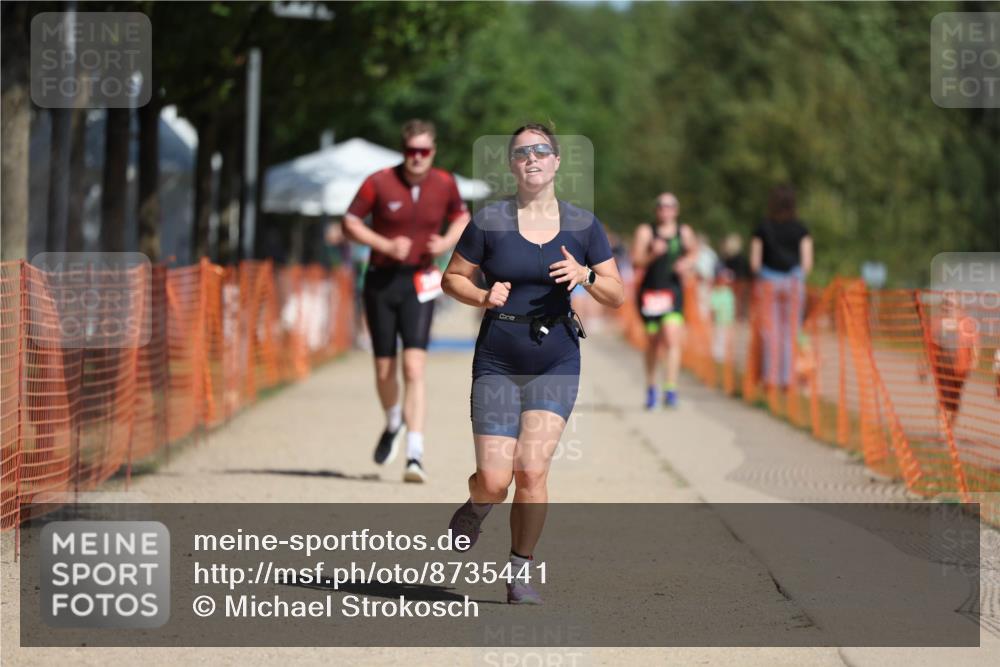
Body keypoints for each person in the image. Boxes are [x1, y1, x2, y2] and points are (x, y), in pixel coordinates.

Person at [441, 123, 624, 604]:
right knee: (496, 480)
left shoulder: (584, 225)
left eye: (543, 151)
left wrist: (585, 275)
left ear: (558, 162)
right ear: (512, 164)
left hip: (556, 356)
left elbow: (617, 294)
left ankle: (519, 570)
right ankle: (478, 505)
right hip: (499, 356)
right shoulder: (489, 222)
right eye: (523, 153)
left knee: (532, 469)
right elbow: (452, 278)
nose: (533, 159)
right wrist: (483, 294)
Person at [343, 119, 471, 483]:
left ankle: (415, 454)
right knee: (384, 368)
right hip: (381, 281)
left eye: (424, 152)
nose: (417, 158)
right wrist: (383, 245)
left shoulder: (444, 183)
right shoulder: (379, 181)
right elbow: (350, 221)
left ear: (433, 152)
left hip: (420, 281)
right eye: (411, 151)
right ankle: (393, 421)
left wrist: (446, 243)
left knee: (414, 367)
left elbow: (463, 217)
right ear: (403, 151)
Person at [630, 193, 696, 408]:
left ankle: (670, 388)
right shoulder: (646, 231)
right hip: (650, 293)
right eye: (661, 206)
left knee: (671, 336)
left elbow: (694, 252)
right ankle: (651, 387)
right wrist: (653, 255)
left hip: (673, 292)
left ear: (676, 210)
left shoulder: (683, 231)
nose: (665, 210)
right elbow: (636, 260)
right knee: (653, 341)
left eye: (669, 206)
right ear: (656, 210)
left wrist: (686, 263)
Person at [750, 185, 813, 391]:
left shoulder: (763, 228)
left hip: (768, 282)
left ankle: (770, 378)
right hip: (793, 283)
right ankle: (788, 380)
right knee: (790, 332)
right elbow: (806, 263)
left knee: (771, 333)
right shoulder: (801, 229)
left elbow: (755, 263)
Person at [926, 291, 979, 427]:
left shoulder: (967, 322)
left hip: (960, 367)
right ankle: (942, 429)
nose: (949, 306)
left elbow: (975, 343)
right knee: (944, 396)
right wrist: (925, 362)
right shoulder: (937, 321)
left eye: (952, 303)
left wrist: (975, 360)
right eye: (947, 303)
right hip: (942, 364)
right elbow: (929, 344)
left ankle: (949, 428)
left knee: (954, 399)